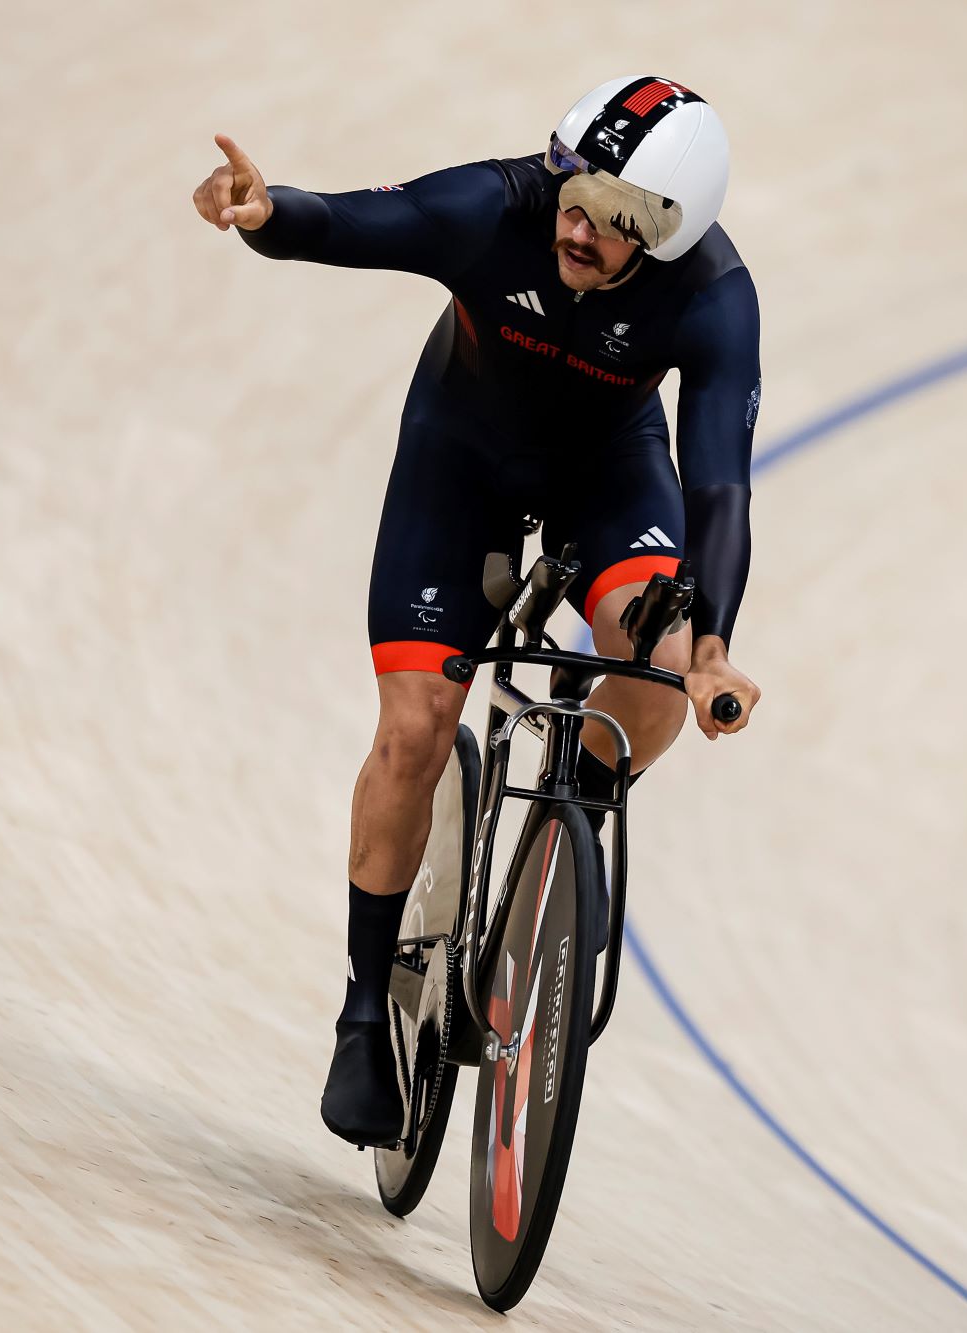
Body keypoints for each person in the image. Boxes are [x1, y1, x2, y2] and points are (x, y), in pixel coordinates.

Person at [194, 76, 764, 1147]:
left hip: (611, 473)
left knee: (660, 670)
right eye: (576, 192)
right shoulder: (496, 209)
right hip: (463, 458)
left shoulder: (713, 296)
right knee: (413, 730)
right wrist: (266, 214)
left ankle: (558, 850)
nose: (582, 224)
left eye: (620, 215)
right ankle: (366, 1014)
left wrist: (713, 651)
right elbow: (367, 222)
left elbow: (720, 484)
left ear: (671, 234)